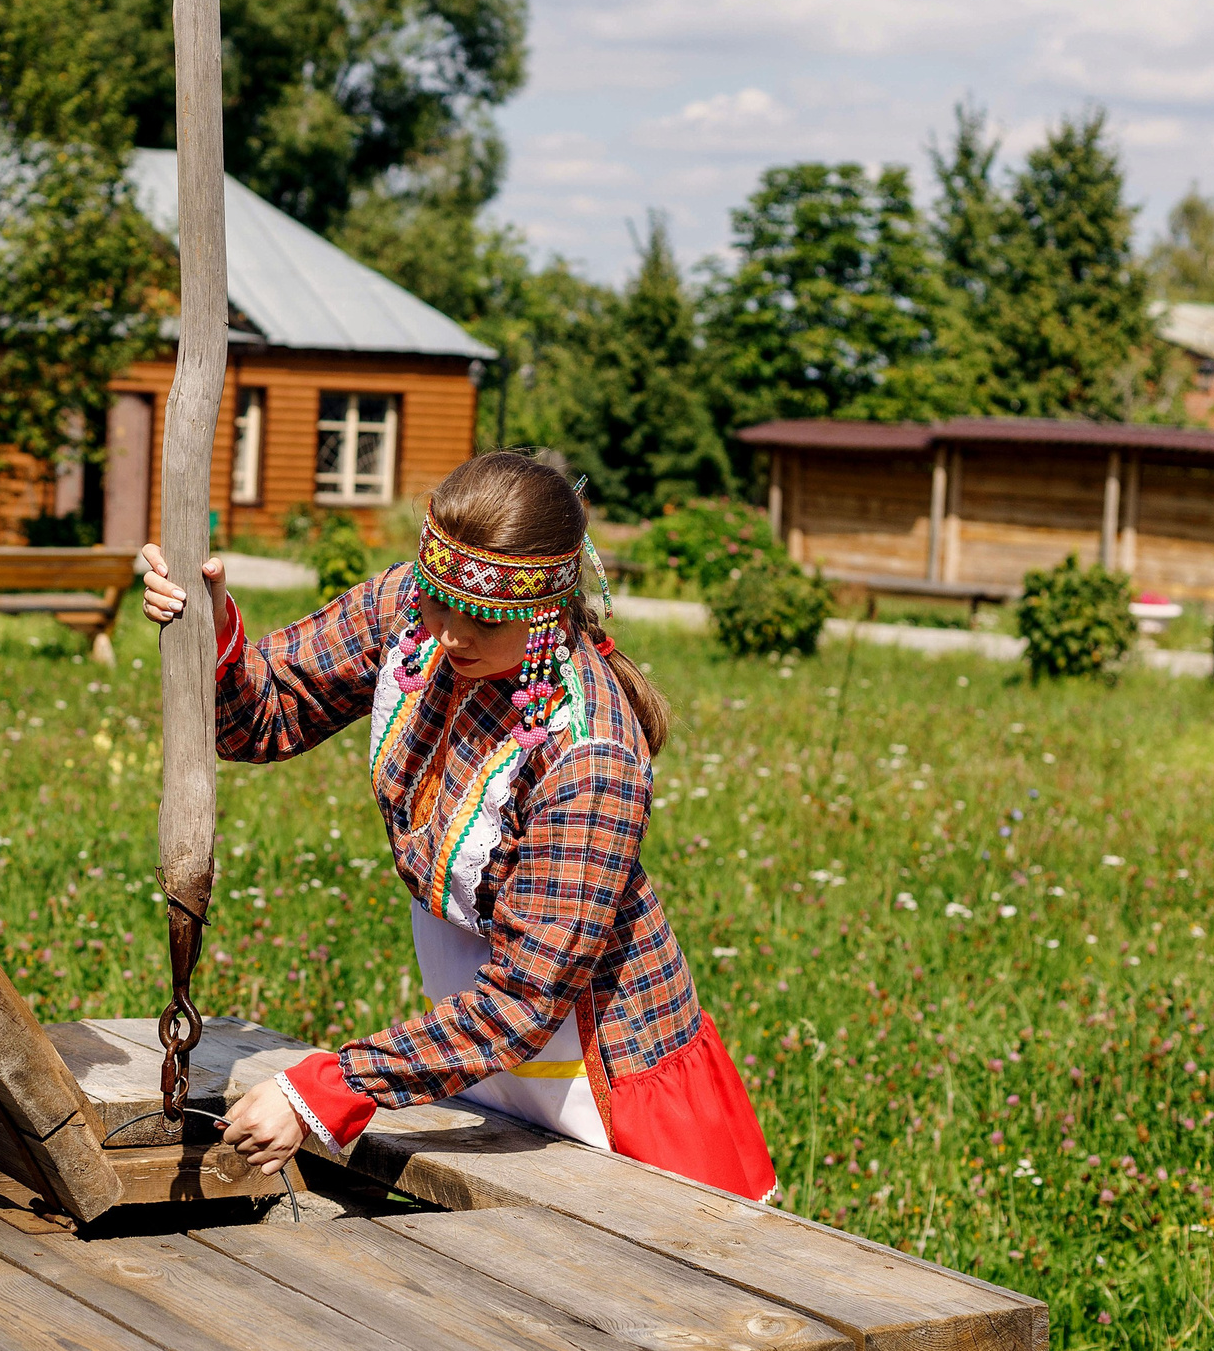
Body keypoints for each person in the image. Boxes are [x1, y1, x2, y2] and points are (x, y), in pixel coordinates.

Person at [139, 450, 775, 1200]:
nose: (446, 633)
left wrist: (330, 1084)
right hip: (469, 1056)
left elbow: (524, 999)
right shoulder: (414, 606)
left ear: (543, 611)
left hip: (597, 1080)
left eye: (481, 618)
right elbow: (264, 719)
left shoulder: (591, 756)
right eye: (438, 603)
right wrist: (209, 629)